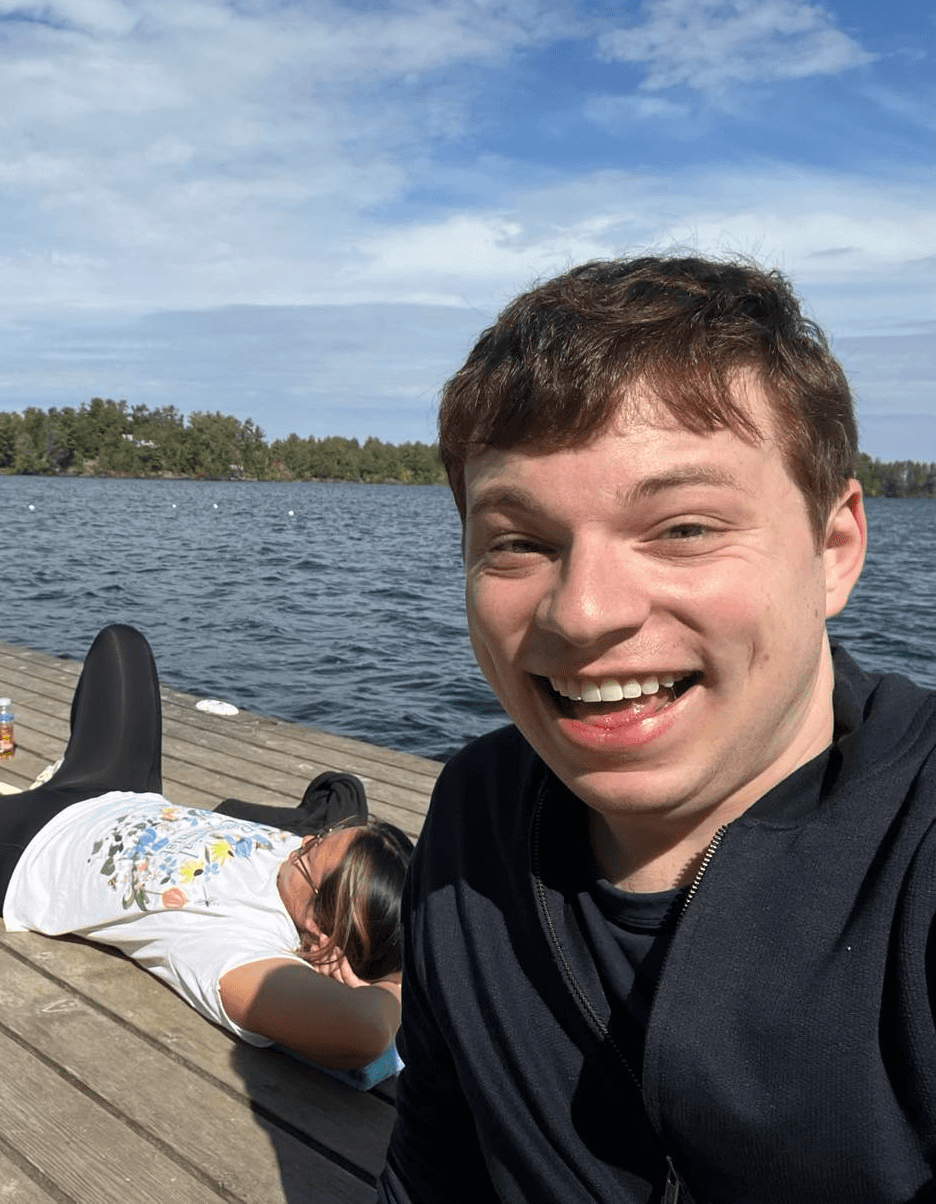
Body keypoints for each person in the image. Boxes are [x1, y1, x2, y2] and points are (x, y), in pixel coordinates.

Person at [379, 256, 936, 1202]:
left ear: (833, 549)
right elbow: (435, 1165)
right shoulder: (476, 818)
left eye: (683, 529)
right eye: (517, 541)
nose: (584, 612)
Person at [0, 624, 411, 1071]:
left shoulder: (241, 950)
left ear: (322, 933)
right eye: (322, 837)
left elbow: (362, 1036)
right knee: (121, 642)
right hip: (115, 788)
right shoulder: (306, 860)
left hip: (21, 849)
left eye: (310, 858)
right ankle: (54, 772)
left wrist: (395, 985)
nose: (302, 843)